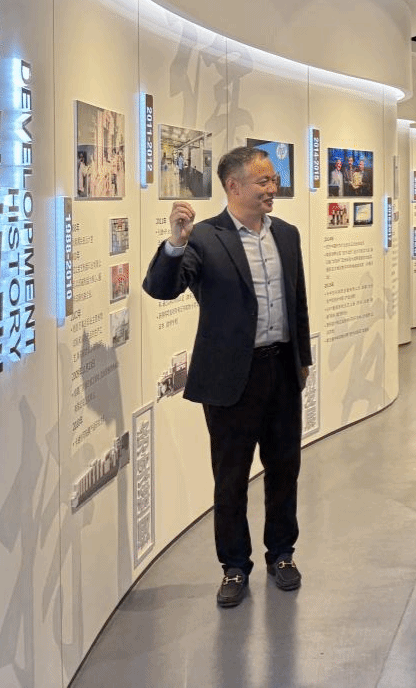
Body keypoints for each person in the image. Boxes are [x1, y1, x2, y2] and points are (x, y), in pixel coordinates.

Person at [142, 145, 312, 608]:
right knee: (231, 477)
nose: (273, 188)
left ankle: (282, 554)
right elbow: (161, 288)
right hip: (230, 379)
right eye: (263, 181)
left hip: (282, 370)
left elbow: (297, 301)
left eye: (273, 180)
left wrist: (303, 359)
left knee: (284, 469)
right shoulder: (204, 237)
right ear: (233, 186)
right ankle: (234, 566)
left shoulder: (287, 235)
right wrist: (175, 243)